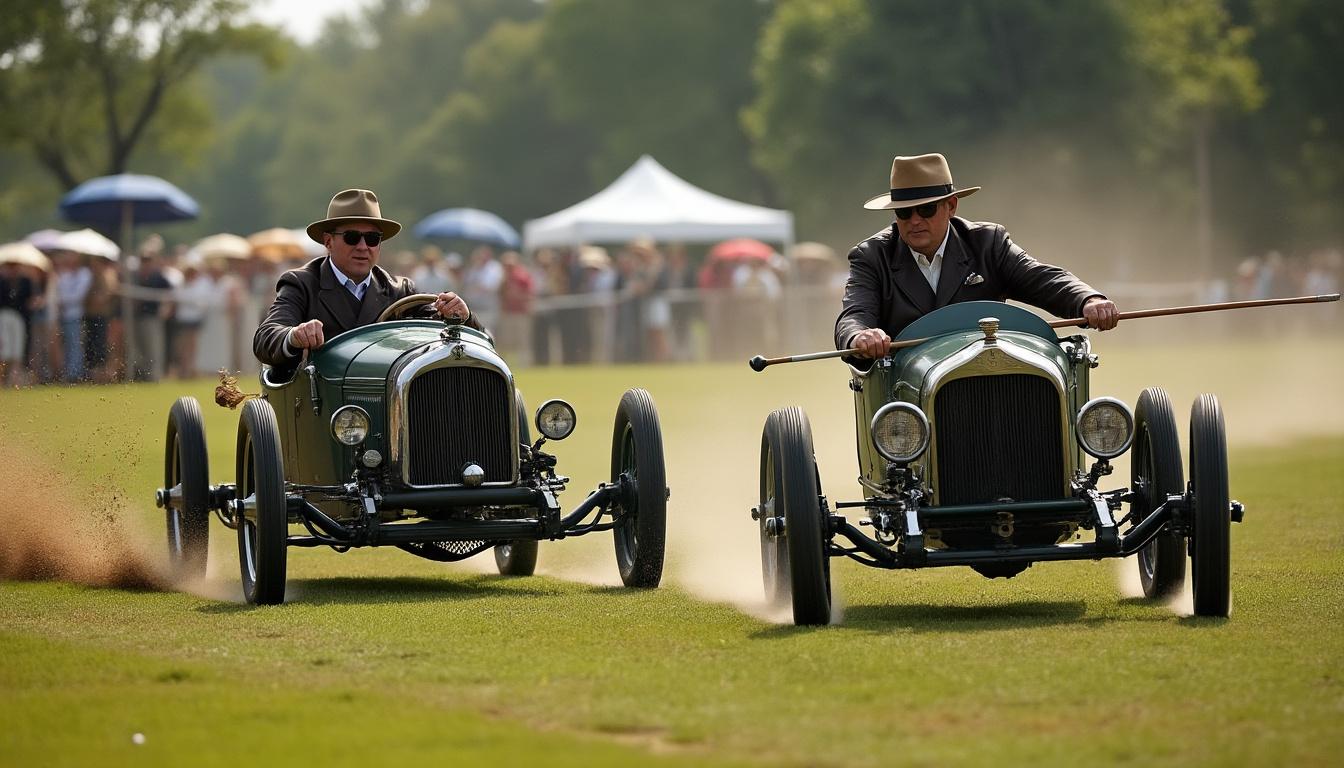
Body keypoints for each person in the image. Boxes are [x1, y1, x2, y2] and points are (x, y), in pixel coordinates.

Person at [836, 153, 1119, 361]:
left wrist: (1087, 299)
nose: (914, 220)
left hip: (993, 372)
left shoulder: (988, 243)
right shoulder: (871, 257)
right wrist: (860, 336)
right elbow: (854, 316)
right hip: (907, 402)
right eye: (904, 212)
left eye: (926, 210)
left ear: (951, 206)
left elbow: (1041, 278)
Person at [253, 189, 478, 367]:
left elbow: (456, 336)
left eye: (372, 238)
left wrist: (460, 315)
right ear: (328, 242)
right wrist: (294, 335)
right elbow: (266, 337)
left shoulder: (400, 290)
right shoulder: (301, 283)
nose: (363, 247)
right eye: (352, 237)